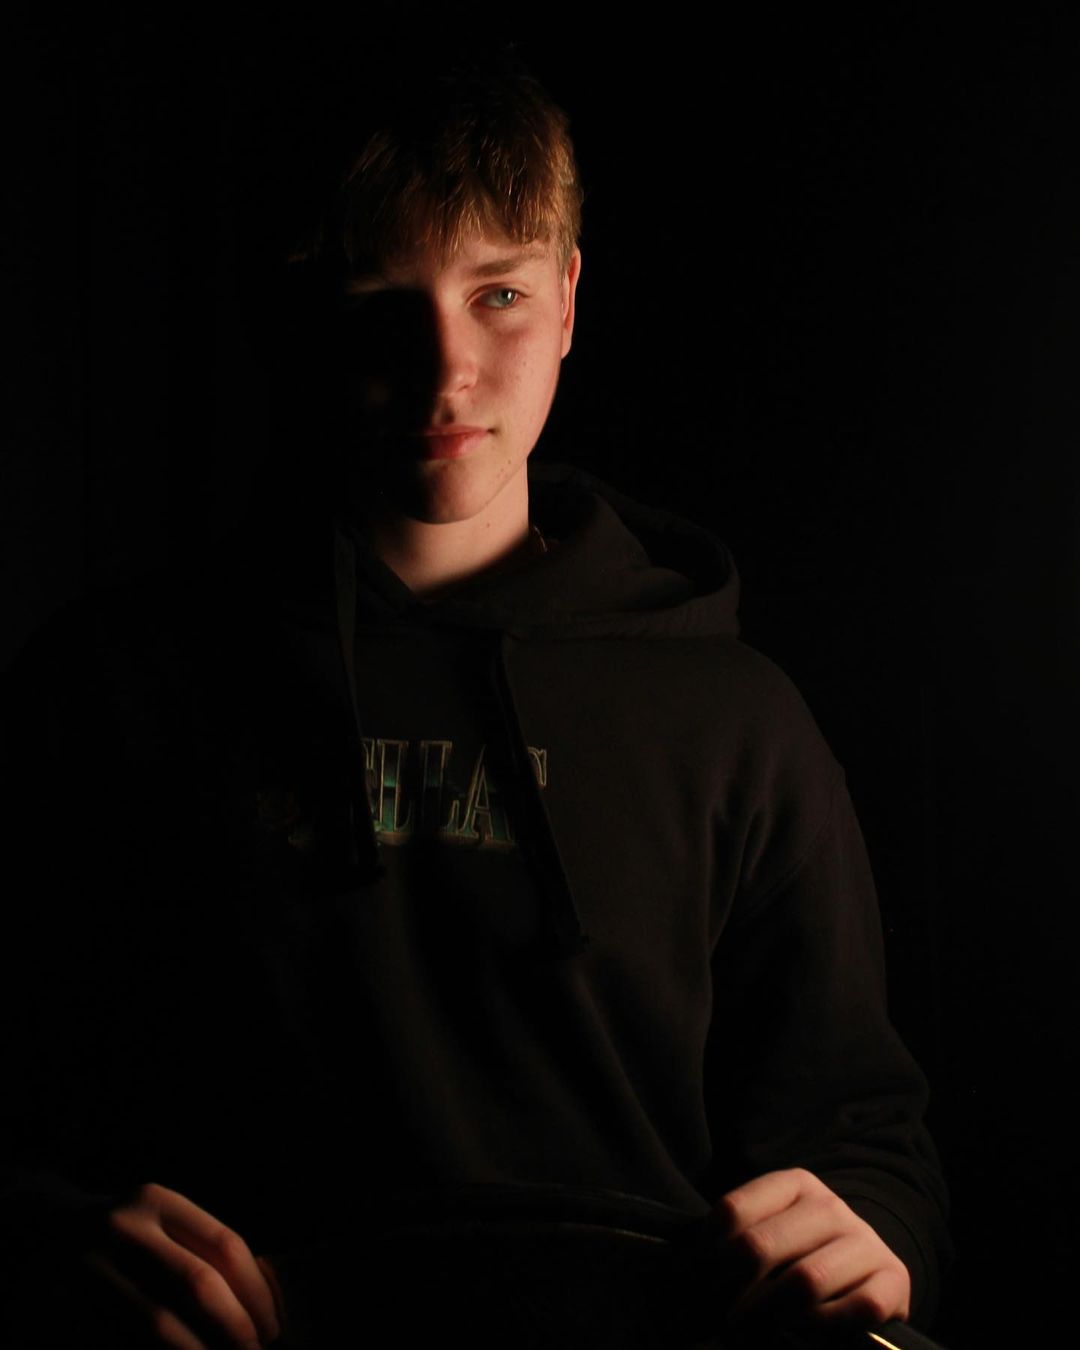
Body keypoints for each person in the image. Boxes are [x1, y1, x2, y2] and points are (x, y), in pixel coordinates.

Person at [0, 48, 950, 1348]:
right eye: (379, 300)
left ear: (566, 300)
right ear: (304, 315)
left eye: (496, 293)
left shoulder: (737, 717)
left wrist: (872, 1236)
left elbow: (865, 1137)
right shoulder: (113, 687)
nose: (444, 370)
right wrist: (46, 1236)